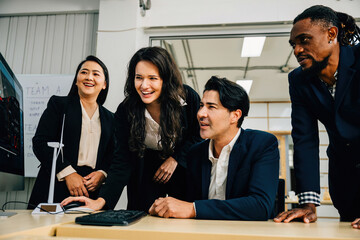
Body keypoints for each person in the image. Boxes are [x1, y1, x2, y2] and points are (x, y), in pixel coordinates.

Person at [61, 47, 201, 211]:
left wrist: (175, 159)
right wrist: (101, 200)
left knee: (183, 219)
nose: (144, 85)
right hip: (145, 170)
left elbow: (198, 135)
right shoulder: (126, 110)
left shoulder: (187, 98)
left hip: (182, 166)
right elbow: (122, 159)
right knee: (142, 217)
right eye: (139, 77)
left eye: (153, 78)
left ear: (165, 79)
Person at [273, 5, 360, 228]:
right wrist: (307, 204)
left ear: (331, 34)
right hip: (345, 181)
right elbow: (305, 139)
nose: (297, 50)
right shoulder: (299, 80)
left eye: (304, 40)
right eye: (294, 44)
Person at [149, 76, 279, 220]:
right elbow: (183, 203)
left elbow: (260, 206)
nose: (200, 114)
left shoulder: (262, 144)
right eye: (201, 106)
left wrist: (194, 209)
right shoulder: (195, 153)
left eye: (211, 107)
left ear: (235, 116)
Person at [28, 55, 114, 208]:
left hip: (92, 191)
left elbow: (114, 155)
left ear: (104, 84)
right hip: (57, 184)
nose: (89, 77)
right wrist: (68, 173)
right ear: (76, 80)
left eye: (96, 74)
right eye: (84, 72)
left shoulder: (111, 119)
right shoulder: (59, 105)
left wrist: (102, 174)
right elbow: (40, 142)